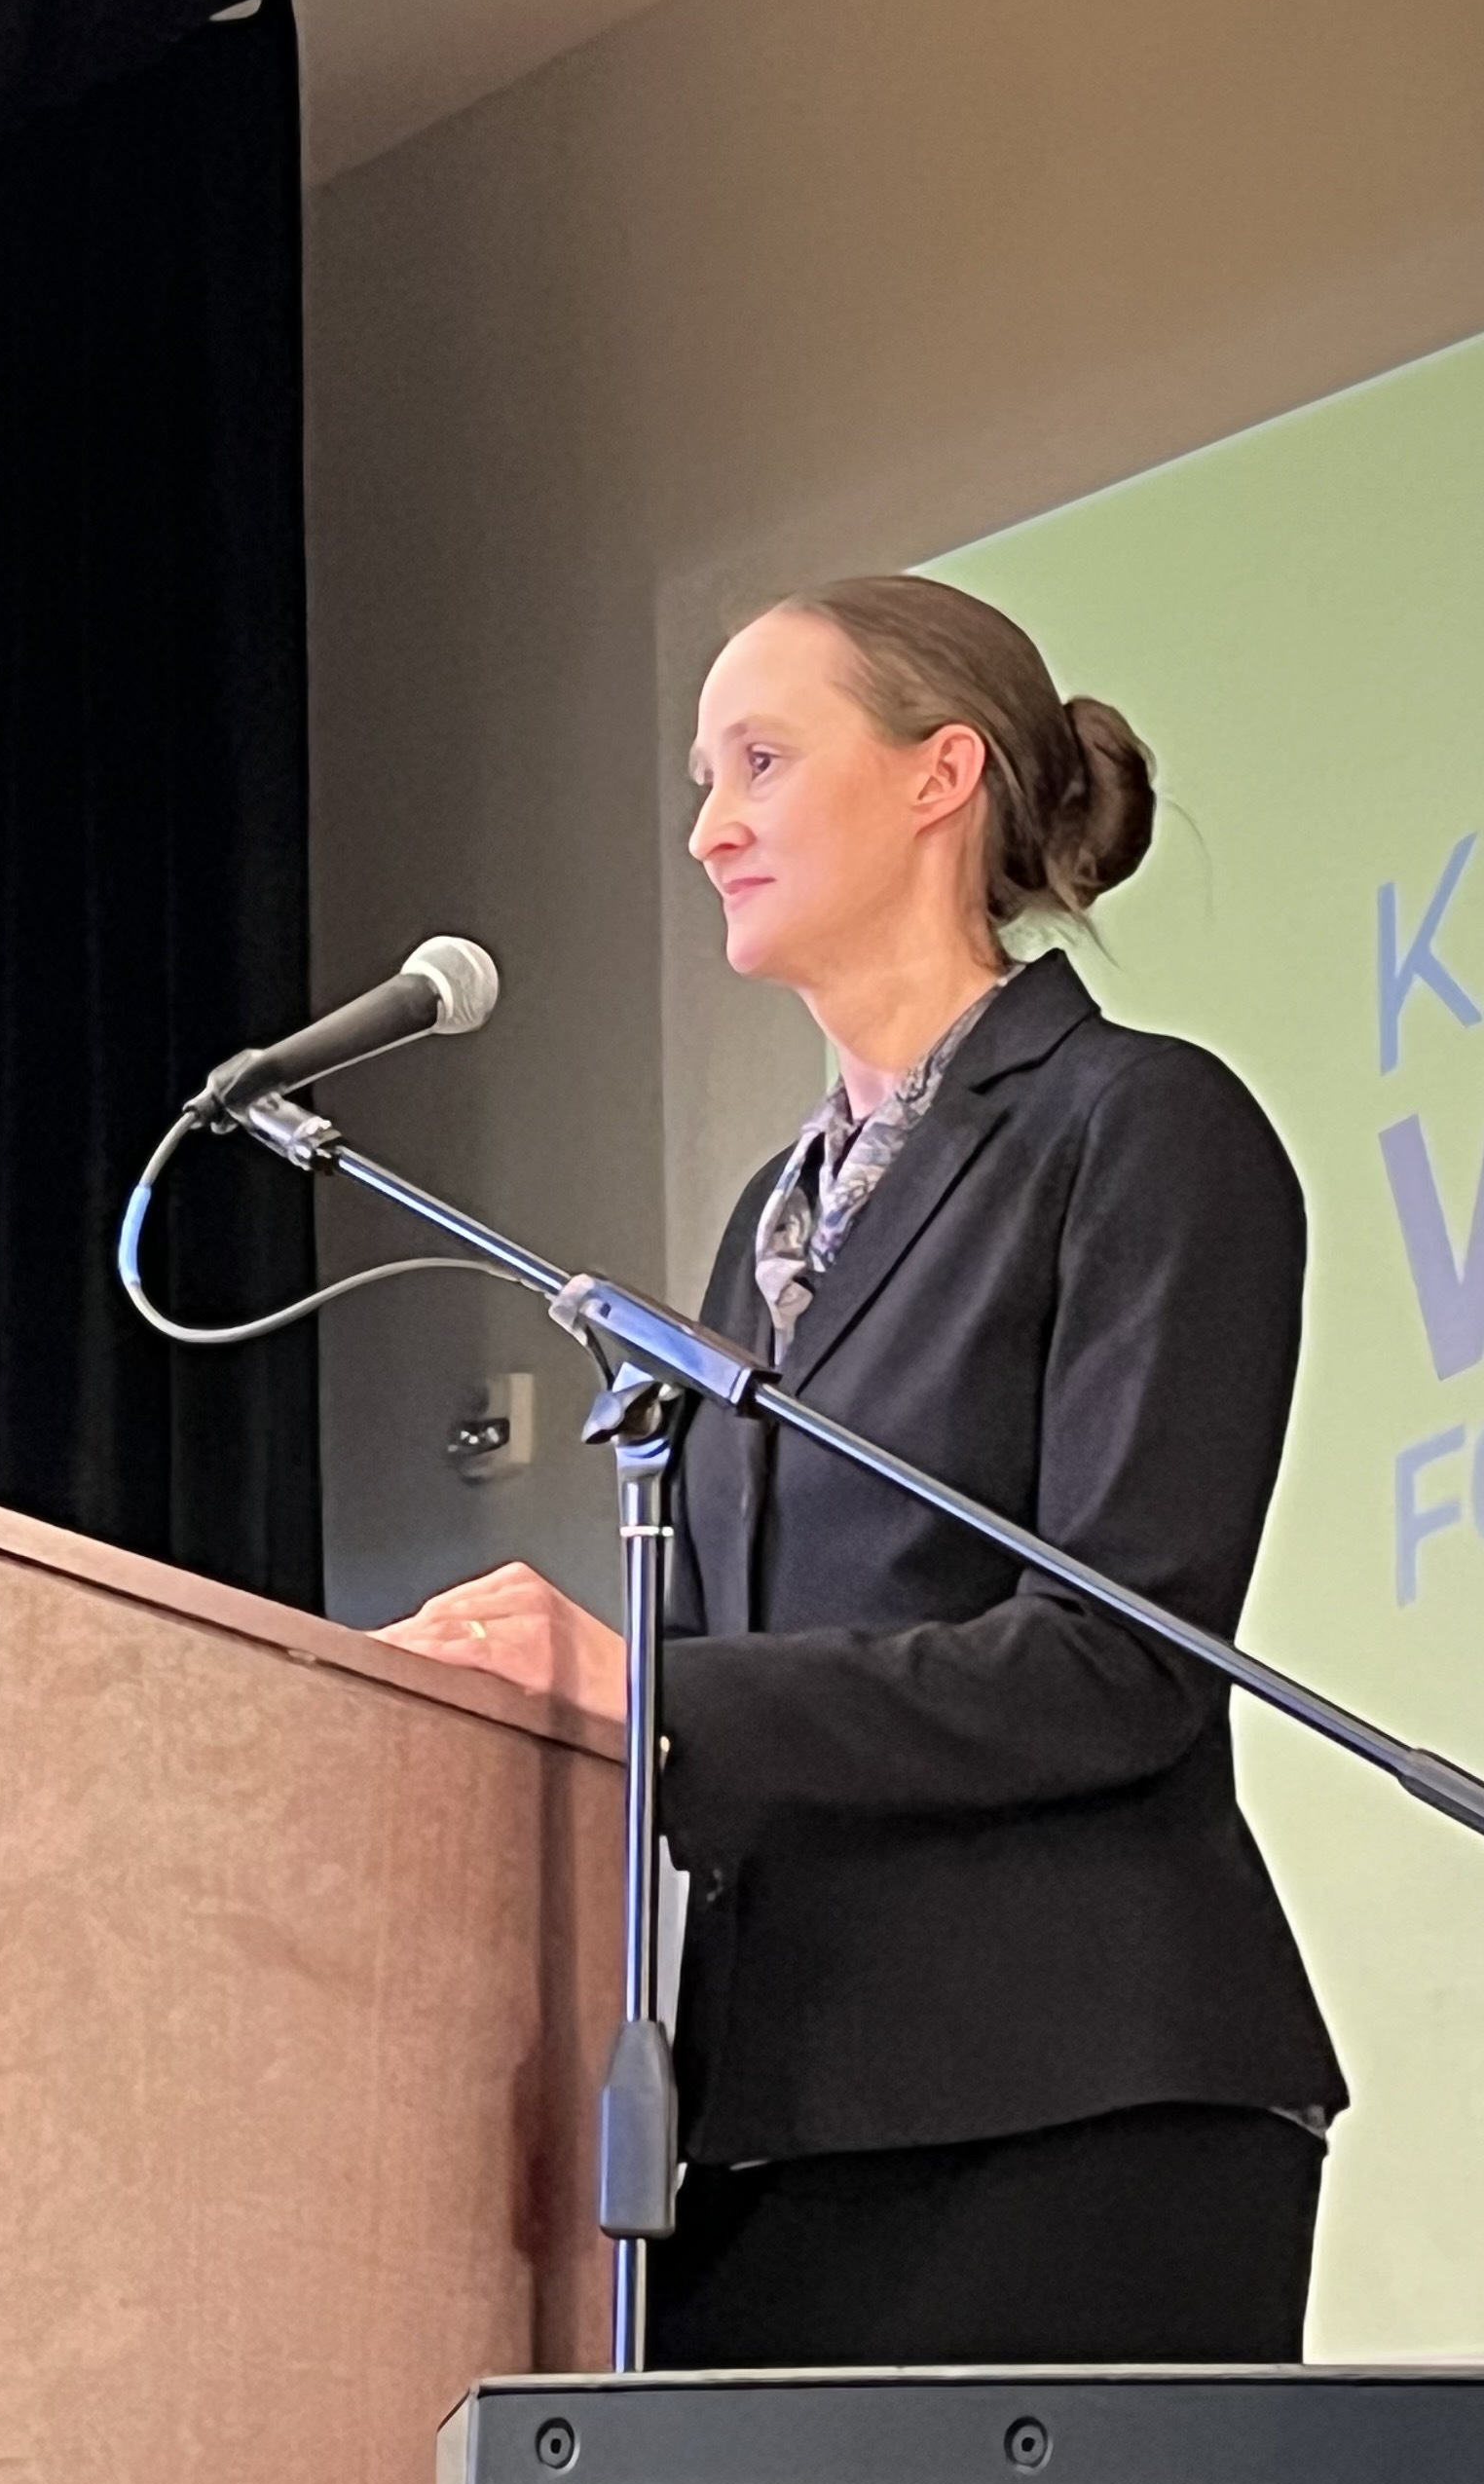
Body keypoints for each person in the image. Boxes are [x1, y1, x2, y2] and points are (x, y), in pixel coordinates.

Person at [379, 573, 1343, 2368]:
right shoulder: (773, 1220)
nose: (708, 826)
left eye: (758, 760)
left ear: (938, 776)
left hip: (1068, 2101)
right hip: (771, 2119)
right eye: (701, 777)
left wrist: (646, 1690)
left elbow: (1118, 1664)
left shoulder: (1141, 1127)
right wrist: (542, 1708)